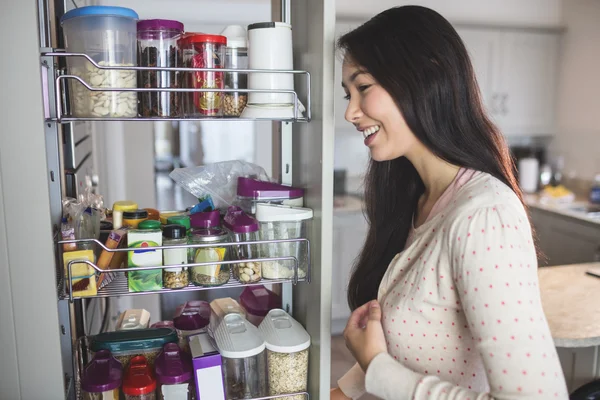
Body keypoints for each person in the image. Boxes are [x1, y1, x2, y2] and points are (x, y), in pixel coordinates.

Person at [330, 6, 568, 400]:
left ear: (423, 77)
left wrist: (378, 369)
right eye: (348, 94)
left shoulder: (484, 216)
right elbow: (418, 340)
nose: (350, 112)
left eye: (364, 88)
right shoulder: (420, 200)